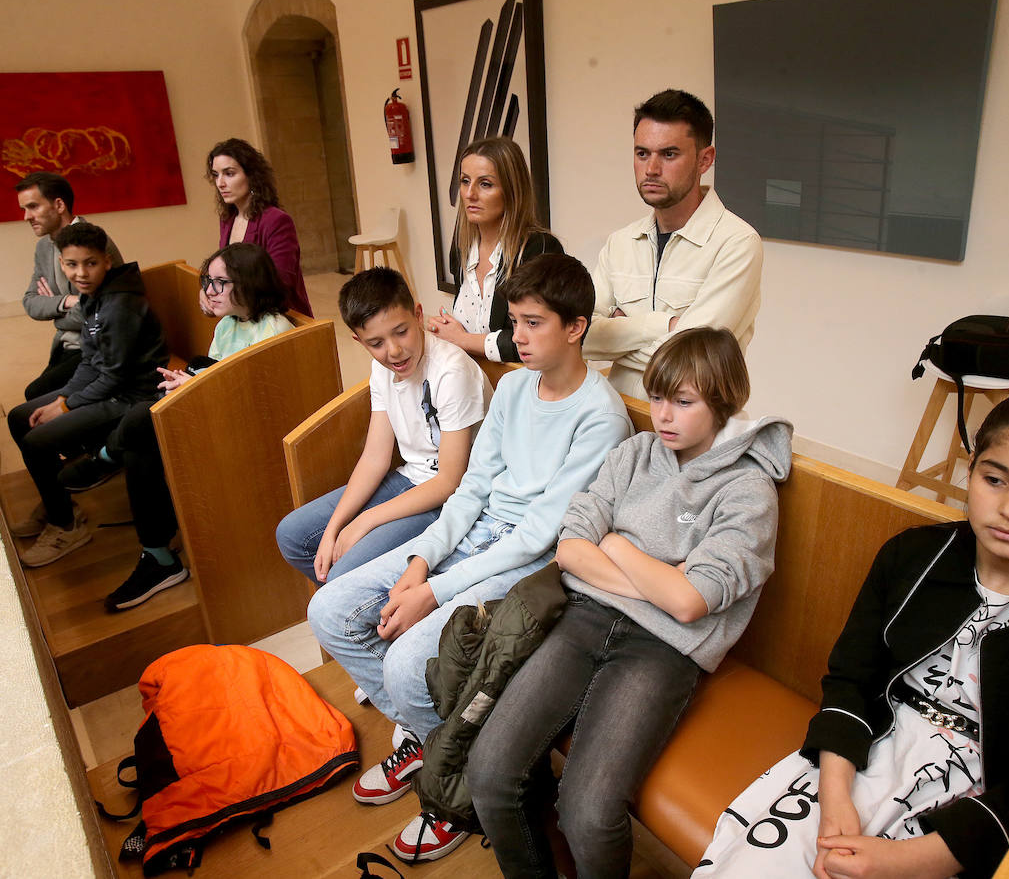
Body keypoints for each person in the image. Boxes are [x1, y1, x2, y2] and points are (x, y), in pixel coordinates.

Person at [693, 390, 1009, 879]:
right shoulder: (911, 556)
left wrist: (907, 860)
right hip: (866, 749)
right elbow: (851, 680)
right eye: (995, 480)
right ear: (970, 472)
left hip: (975, 801)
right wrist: (835, 796)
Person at [308, 253, 632, 863]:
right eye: (514, 321)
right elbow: (471, 490)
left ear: (576, 327)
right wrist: (421, 561)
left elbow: (539, 534)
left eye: (534, 323)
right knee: (329, 610)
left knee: (407, 666)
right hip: (474, 533)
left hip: (526, 559)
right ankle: (438, 749)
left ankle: (451, 787)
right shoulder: (512, 385)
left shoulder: (601, 416)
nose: (518, 337)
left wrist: (437, 588)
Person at [465, 327, 792, 877]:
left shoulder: (747, 491)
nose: (663, 414)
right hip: (582, 618)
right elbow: (571, 548)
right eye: (658, 396)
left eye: (683, 402)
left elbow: (691, 606)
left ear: (724, 400)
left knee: (589, 813)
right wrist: (661, 576)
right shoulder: (634, 453)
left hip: (664, 649)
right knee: (489, 771)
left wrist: (614, 546)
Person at [71, 243, 297, 611]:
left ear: (250, 282)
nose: (209, 291)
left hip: (247, 434)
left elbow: (258, 402)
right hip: (216, 414)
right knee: (142, 441)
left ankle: (110, 459)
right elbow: (219, 373)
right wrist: (192, 382)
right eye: (208, 280)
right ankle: (156, 553)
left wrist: (196, 384)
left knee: (142, 422)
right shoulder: (228, 325)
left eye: (220, 282)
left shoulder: (276, 329)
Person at [275, 267, 492, 585]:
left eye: (401, 332)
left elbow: (450, 480)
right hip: (408, 479)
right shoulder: (382, 369)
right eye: (376, 343)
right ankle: (359, 607)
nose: (393, 350)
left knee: (344, 571)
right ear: (358, 341)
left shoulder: (452, 370)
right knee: (293, 536)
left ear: (418, 315)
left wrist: (366, 520)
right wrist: (336, 526)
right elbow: (375, 458)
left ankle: (360, 604)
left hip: (452, 497)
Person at [584, 89, 763, 401]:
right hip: (621, 419)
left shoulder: (737, 243)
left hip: (696, 436)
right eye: (642, 153)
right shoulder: (620, 242)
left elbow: (693, 361)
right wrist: (664, 326)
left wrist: (617, 337)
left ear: (705, 159)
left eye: (669, 154)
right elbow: (581, 337)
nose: (651, 169)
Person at [6, 222, 167, 568]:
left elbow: (113, 376)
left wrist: (65, 404)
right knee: (20, 416)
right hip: (109, 386)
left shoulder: (119, 304)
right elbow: (89, 362)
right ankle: (58, 504)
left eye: (90, 263)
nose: (81, 273)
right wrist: (62, 398)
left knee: (36, 442)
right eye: (72, 264)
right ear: (62, 264)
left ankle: (66, 526)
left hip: (130, 397)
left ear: (107, 261)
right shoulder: (93, 297)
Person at [428, 136, 563, 362]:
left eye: (485, 184)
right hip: (477, 380)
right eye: (464, 181)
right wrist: (447, 329)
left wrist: (462, 339)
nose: (470, 194)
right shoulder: (462, 249)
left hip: (527, 386)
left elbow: (540, 339)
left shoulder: (540, 249)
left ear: (512, 191)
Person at [16, 171, 125, 399]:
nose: (27, 216)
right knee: (35, 396)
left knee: (34, 395)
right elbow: (30, 302)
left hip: (99, 348)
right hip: (67, 345)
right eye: (24, 209)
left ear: (58, 205)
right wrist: (68, 301)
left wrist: (56, 312)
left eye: (33, 206)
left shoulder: (94, 243)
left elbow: (102, 315)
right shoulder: (44, 247)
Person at [207, 137, 312, 317]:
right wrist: (208, 291)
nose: (220, 183)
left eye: (229, 173)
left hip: (279, 317)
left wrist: (224, 293)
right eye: (216, 175)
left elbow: (281, 283)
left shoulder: (276, 220)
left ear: (251, 175)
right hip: (245, 315)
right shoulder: (228, 219)